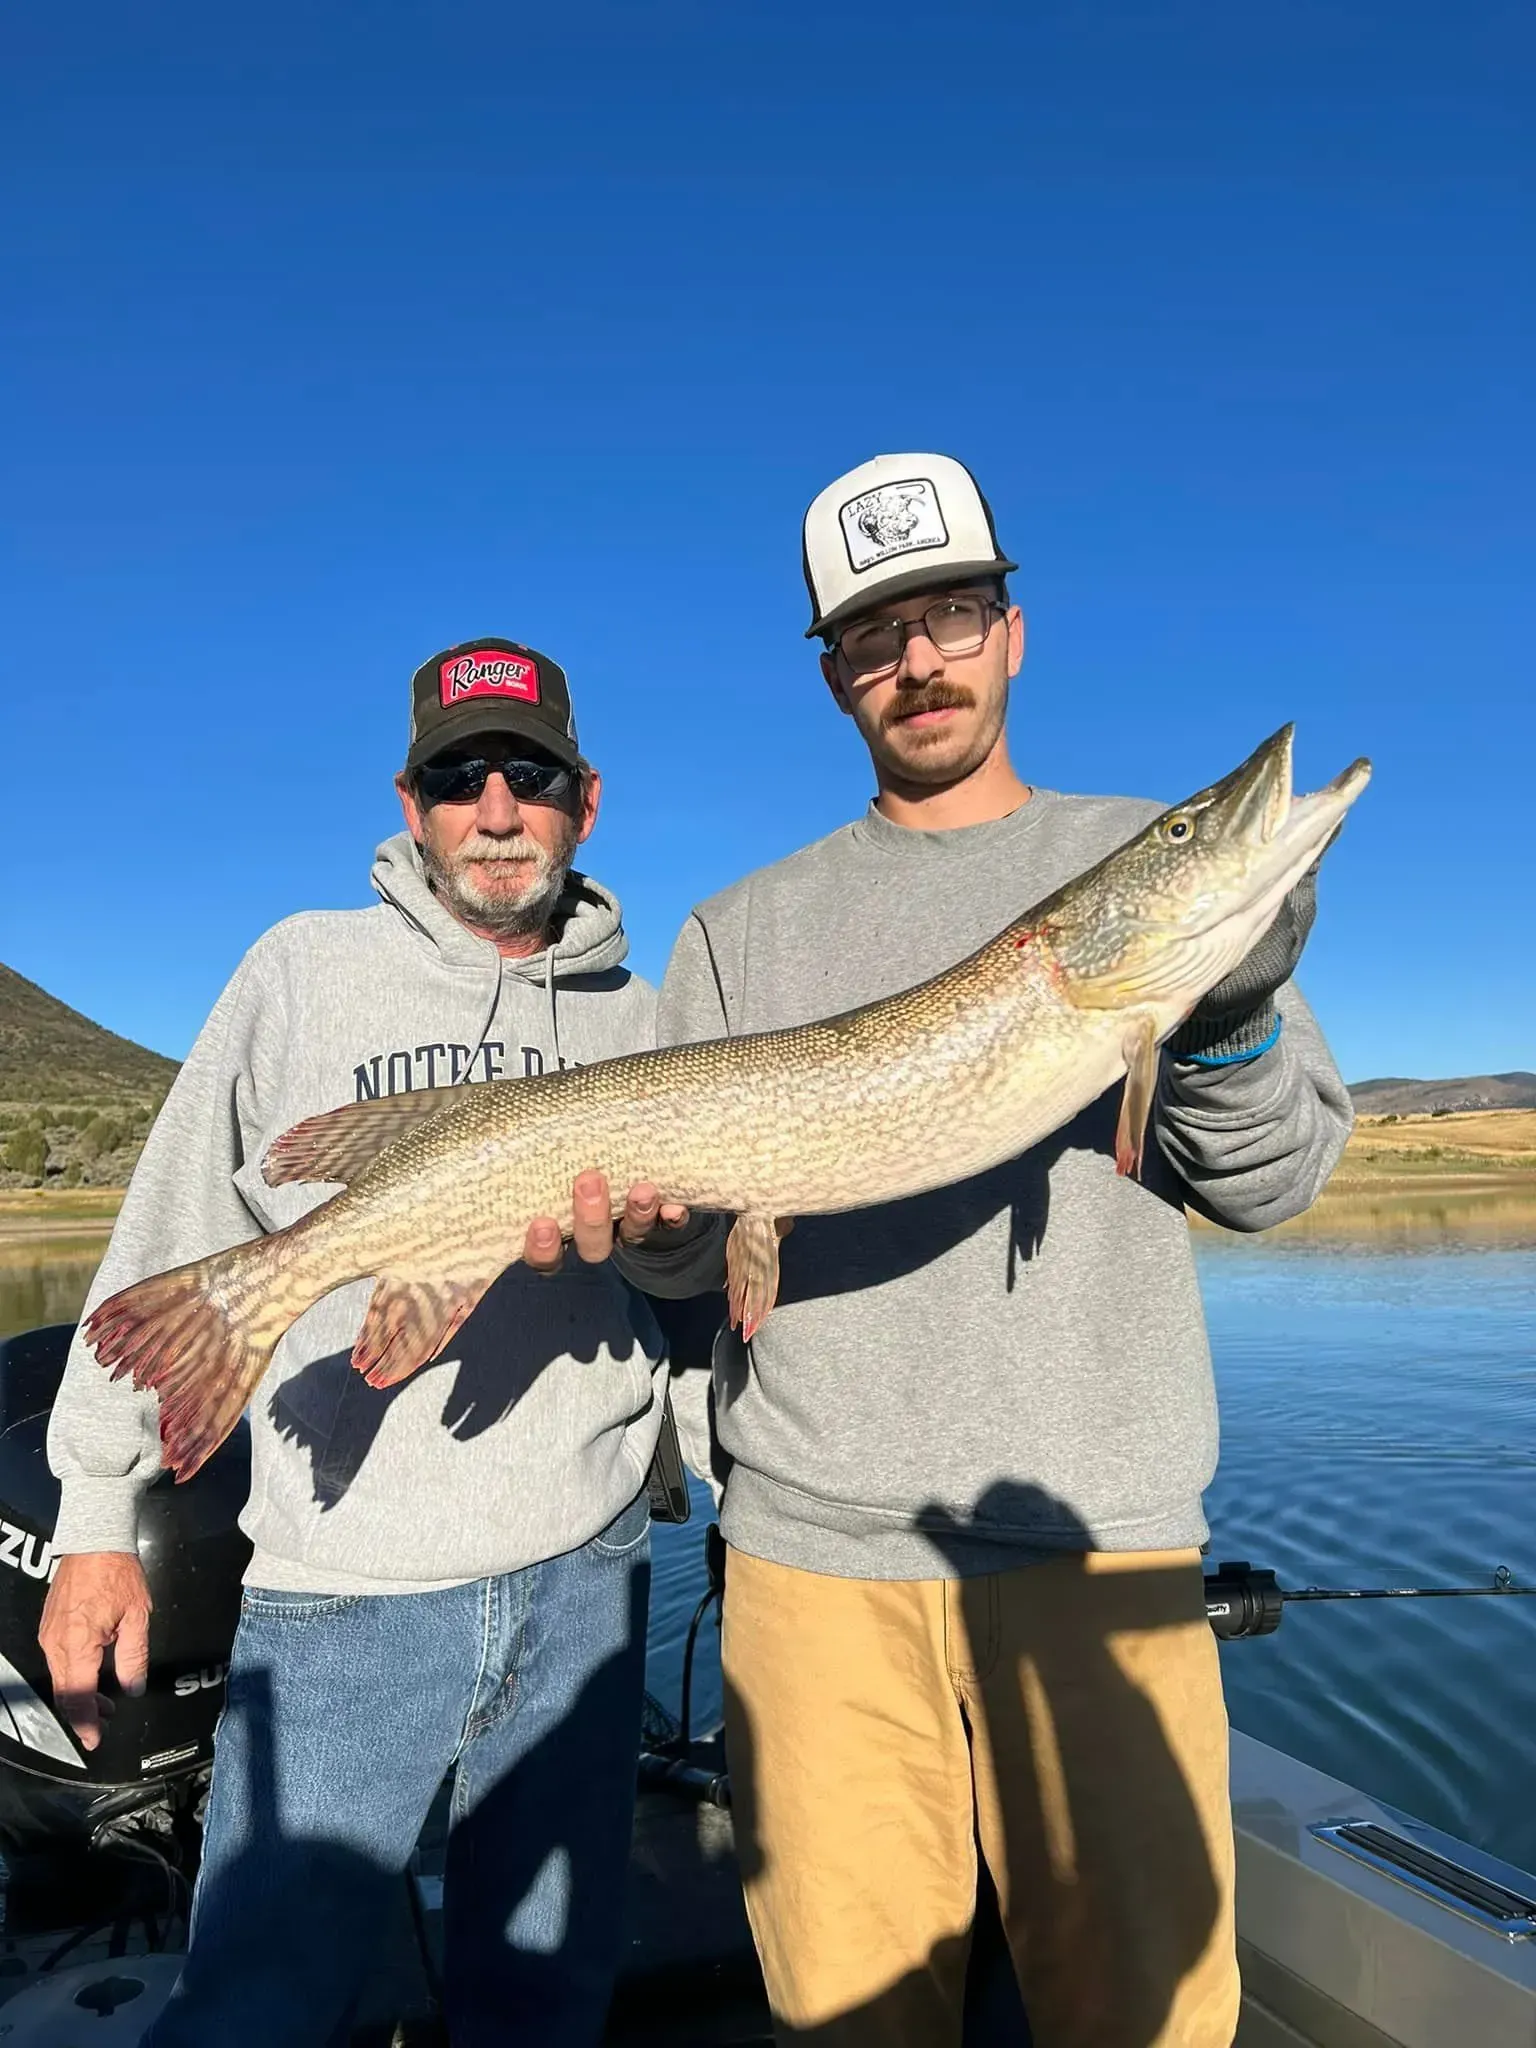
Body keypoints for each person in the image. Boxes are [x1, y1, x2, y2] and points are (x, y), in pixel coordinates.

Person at [564, 455, 1355, 2047]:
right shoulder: (740, 930)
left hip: (1098, 1550)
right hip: (810, 1571)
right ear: (835, 677)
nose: (916, 660)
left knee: (1145, 2017)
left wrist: (1231, 1015)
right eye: (873, 637)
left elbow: (1273, 1184)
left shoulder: (1140, 867)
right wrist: (656, 1240)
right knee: (854, 2020)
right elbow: (686, 1278)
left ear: (1010, 631)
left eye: (948, 616)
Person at [40, 636, 684, 2048]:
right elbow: (162, 1235)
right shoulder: (302, 970)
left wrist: (661, 1247)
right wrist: (97, 1509)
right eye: (462, 779)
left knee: (545, 2006)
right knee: (256, 2008)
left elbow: (689, 1289)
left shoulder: (646, 1015)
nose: (498, 809)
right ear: (411, 804)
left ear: (587, 797)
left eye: (532, 775)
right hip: (342, 1593)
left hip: (585, 1579)